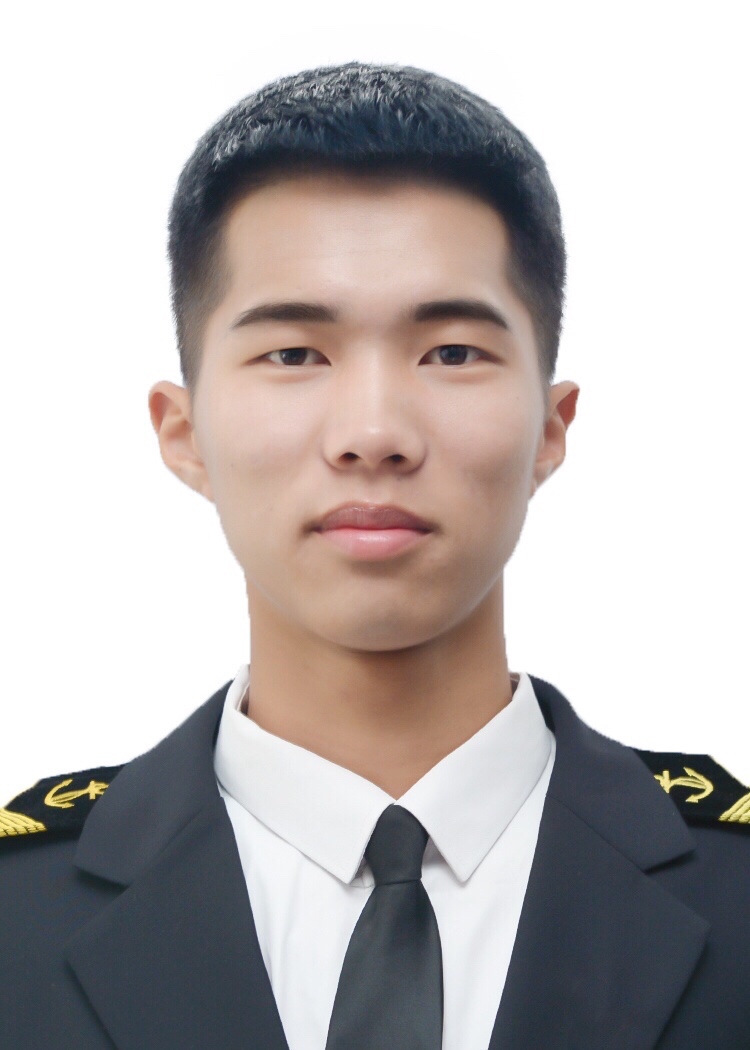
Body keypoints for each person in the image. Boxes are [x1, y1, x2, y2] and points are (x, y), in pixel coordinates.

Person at [1, 60, 748, 1050]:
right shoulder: (17, 913)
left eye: (452, 352)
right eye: (294, 354)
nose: (373, 433)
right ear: (183, 434)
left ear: (551, 428)